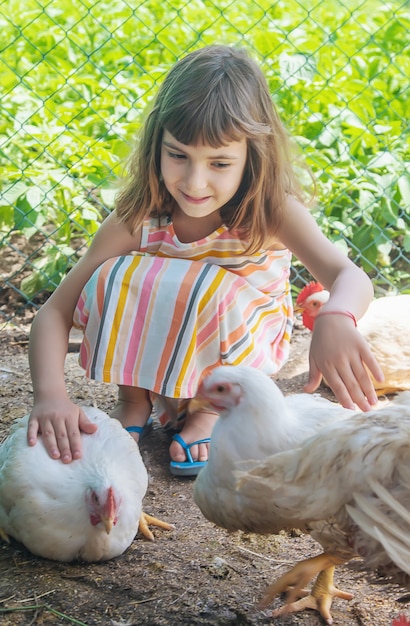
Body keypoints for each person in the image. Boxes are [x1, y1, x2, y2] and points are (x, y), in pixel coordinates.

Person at [27, 45, 383, 476]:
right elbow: (54, 312)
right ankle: (134, 400)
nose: (195, 182)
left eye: (219, 162)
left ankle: (210, 412)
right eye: (178, 155)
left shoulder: (271, 213)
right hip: (169, 349)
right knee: (114, 274)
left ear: (253, 154)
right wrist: (50, 396)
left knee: (205, 285)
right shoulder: (138, 216)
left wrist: (336, 317)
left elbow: (349, 275)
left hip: (240, 347)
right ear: (156, 143)